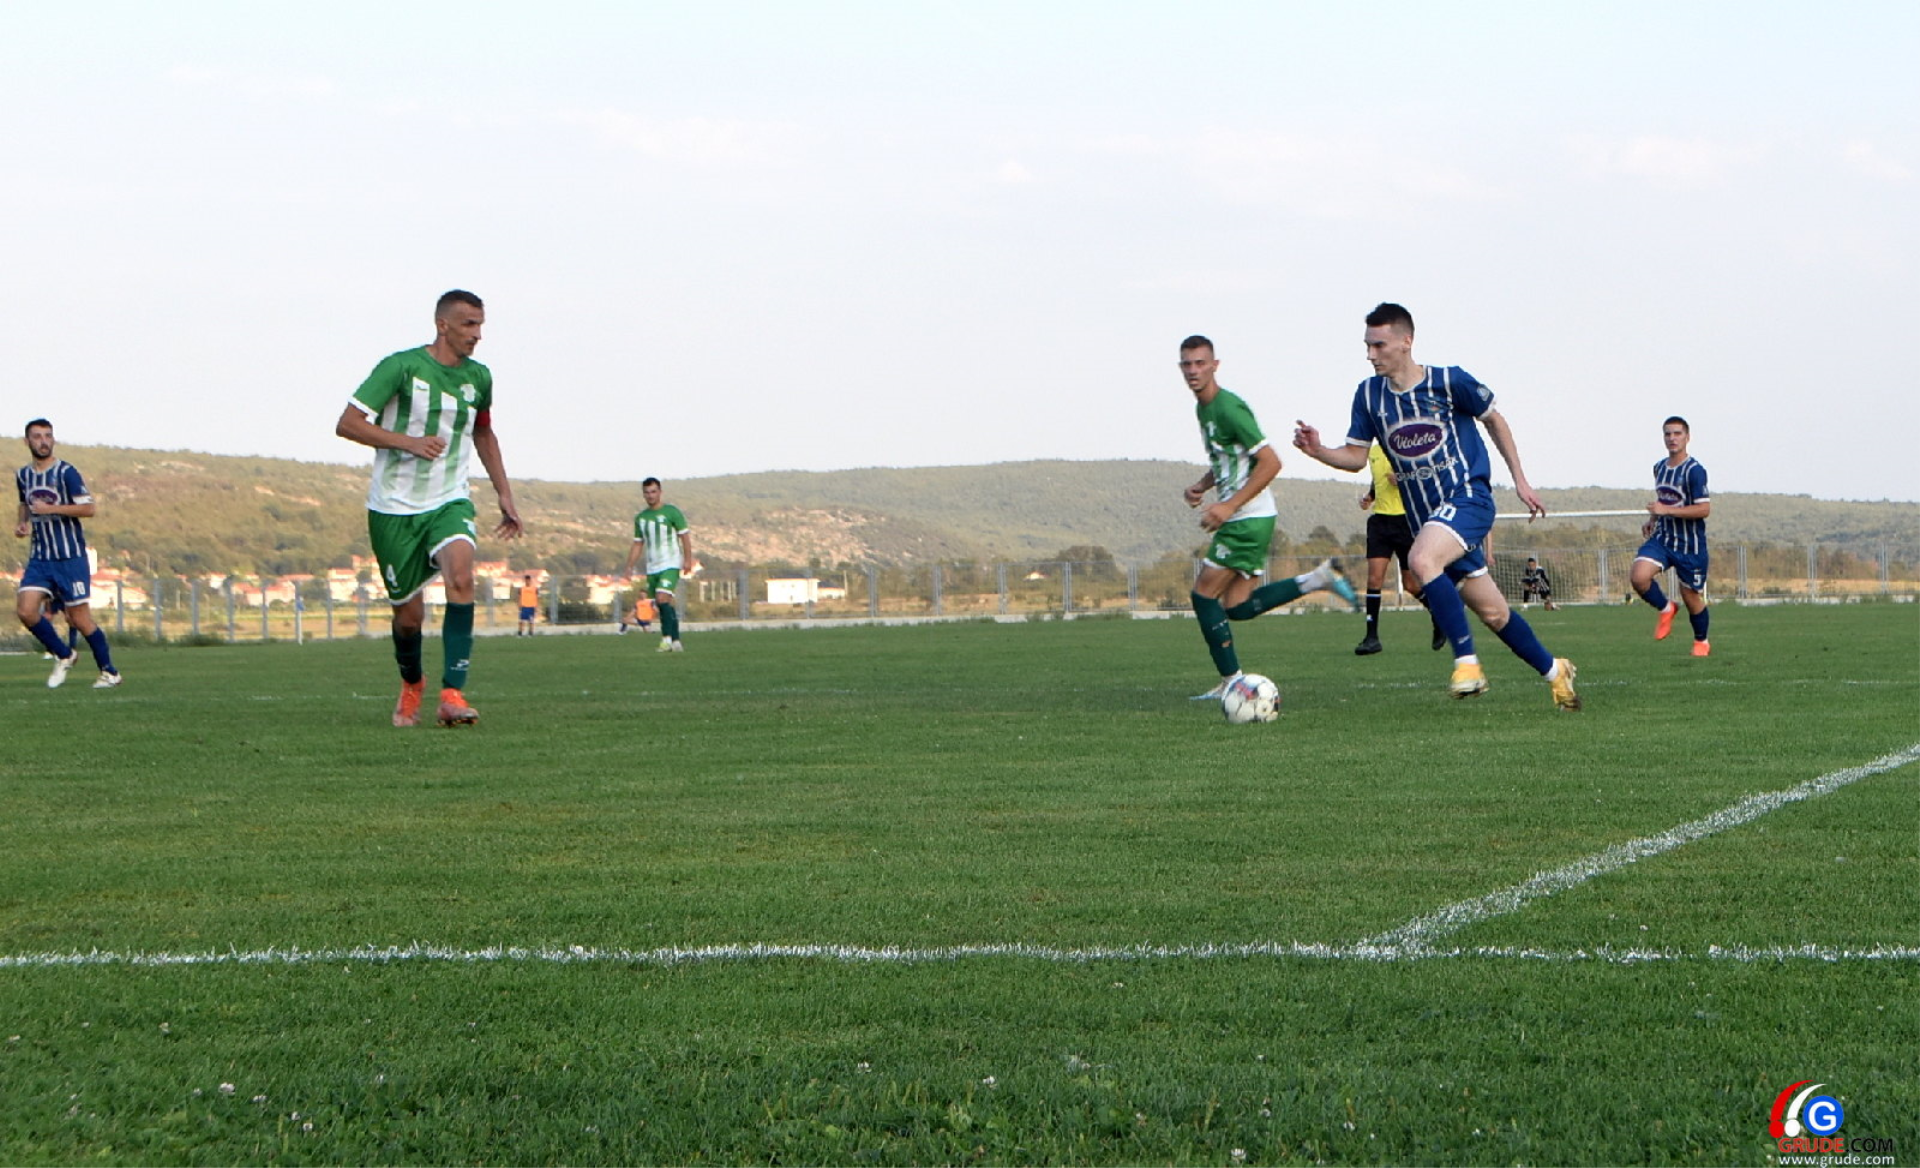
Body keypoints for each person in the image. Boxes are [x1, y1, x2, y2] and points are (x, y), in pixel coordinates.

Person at [1292, 303, 1580, 710]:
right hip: (1426, 521)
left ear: (1406, 342)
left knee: (1422, 560)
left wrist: (1519, 479)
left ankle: (1467, 665)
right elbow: (1356, 457)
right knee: (1494, 614)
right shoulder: (1369, 395)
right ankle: (1555, 672)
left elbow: (1494, 420)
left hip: (1468, 499)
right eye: (1367, 346)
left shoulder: (1449, 381)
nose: (1370, 354)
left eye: (1379, 345)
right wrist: (1319, 450)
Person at [335, 290, 523, 727]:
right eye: (469, 324)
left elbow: (483, 433)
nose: (477, 334)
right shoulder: (400, 367)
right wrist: (409, 443)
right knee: (408, 617)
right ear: (443, 325)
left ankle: (452, 694)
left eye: (480, 325)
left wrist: (504, 493)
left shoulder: (479, 377)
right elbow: (347, 424)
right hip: (393, 509)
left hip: (449, 500)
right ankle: (411, 683)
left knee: (462, 576)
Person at [1177, 335, 1358, 700]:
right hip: (1247, 516)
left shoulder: (1229, 408)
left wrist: (1228, 506)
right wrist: (1203, 485)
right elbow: (1230, 459)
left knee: (1203, 596)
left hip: (1247, 518)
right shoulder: (1204, 409)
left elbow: (1271, 462)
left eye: (1200, 363)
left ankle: (1231, 682)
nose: (1193, 370)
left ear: (1215, 365)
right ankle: (1317, 579)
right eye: (1187, 364)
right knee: (1237, 607)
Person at [14, 419, 121, 688]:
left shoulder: (66, 473)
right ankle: (64, 654)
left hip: (70, 557)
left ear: (53, 440)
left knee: (78, 618)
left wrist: (51, 509)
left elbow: (89, 508)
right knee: (26, 610)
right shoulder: (24, 475)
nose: (43, 441)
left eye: (47, 436)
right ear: (27, 442)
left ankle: (109, 672)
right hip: (41, 557)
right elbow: (24, 502)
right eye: (37, 436)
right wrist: (23, 523)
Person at [1630, 416, 1711, 655]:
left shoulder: (1695, 471)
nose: (1672, 438)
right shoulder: (1659, 468)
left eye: (1677, 433)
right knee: (1638, 577)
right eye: (1668, 434)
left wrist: (1666, 511)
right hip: (1664, 539)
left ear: (1687, 437)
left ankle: (1701, 641)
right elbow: (1664, 500)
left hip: (1690, 545)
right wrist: (1653, 519)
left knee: (1691, 597)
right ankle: (1666, 608)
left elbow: (1704, 509)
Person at [1354, 442, 1445, 655]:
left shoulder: (1406, 448)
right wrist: (1370, 496)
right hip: (1380, 522)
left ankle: (1439, 617)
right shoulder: (1373, 451)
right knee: (1374, 579)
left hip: (1406, 521)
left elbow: (1425, 479)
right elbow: (1378, 481)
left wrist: (1403, 481)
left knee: (1411, 585)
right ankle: (1371, 637)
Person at [624, 477, 698, 652]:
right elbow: (638, 544)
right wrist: (629, 566)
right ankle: (676, 640)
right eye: (647, 492)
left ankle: (665, 640)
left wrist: (687, 559)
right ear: (643, 494)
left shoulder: (672, 512)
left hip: (671, 563)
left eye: (653, 491)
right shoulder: (641, 518)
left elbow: (684, 536)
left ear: (660, 492)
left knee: (661, 598)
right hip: (653, 566)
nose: (650, 495)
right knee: (663, 604)